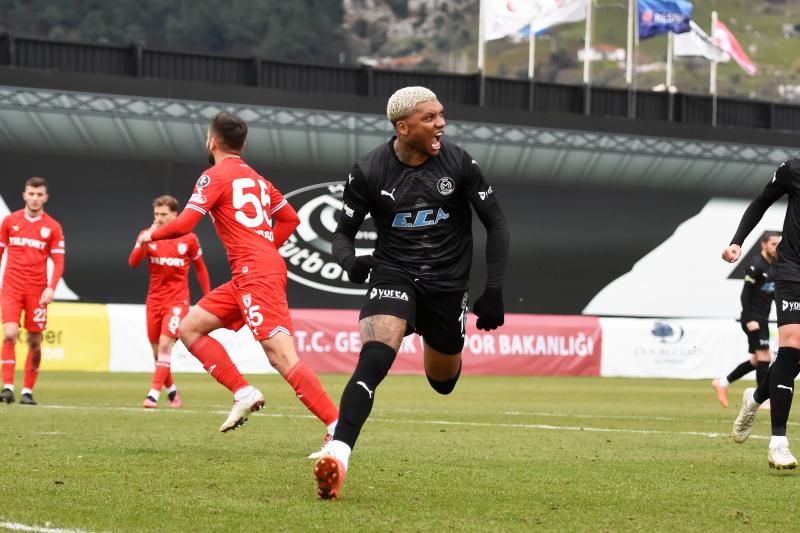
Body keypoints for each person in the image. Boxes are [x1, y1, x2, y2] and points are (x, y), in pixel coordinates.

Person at [313, 86, 510, 499]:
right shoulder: (369, 171)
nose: (441, 123)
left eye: (441, 115)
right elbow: (343, 234)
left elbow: (496, 223)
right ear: (403, 128)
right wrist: (350, 262)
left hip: (447, 284)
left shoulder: (458, 161)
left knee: (442, 382)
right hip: (394, 274)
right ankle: (339, 454)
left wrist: (493, 289)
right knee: (375, 356)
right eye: (431, 117)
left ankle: (427, 334)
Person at [139, 112, 339, 448]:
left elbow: (186, 223)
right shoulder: (259, 180)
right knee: (189, 328)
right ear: (242, 145)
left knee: (281, 356)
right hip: (251, 271)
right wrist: (265, 247)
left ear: (211, 141)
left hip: (256, 272)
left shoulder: (214, 176)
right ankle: (243, 391)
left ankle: (337, 427)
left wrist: (153, 235)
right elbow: (290, 218)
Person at [724, 159, 800, 470]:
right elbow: (760, 202)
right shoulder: (793, 169)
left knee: (794, 358)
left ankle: (753, 400)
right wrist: (736, 242)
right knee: (792, 346)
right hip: (792, 270)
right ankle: (778, 442)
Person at [129, 195, 211, 408]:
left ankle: (153, 395)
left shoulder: (188, 239)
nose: (159, 218)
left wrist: (208, 295)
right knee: (157, 352)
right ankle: (172, 391)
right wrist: (144, 241)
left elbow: (200, 267)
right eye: (156, 214)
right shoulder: (147, 236)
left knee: (166, 345)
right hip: (154, 300)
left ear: (175, 215)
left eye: (163, 214)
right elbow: (132, 263)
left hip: (177, 301)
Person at [0, 177, 65, 405]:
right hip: (11, 286)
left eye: (39, 195)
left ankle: (27, 391)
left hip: (37, 291)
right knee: (9, 334)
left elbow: (58, 261)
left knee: (35, 342)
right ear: (24, 195)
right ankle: (7, 387)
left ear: (45, 197)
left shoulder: (53, 227)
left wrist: (51, 288)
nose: (35, 198)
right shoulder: (9, 221)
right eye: (31, 193)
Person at [712, 232, 780, 408]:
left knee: (757, 360)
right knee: (765, 356)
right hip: (753, 318)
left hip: (762, 318)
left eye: (778, 244)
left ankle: (722, 383)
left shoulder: (774, 266)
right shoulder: (756, 265)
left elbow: (772, 294)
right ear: (764, 245)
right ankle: (762, 398)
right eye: (773, 244)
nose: (776, 247)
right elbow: (745, 294)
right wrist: (749, 319)